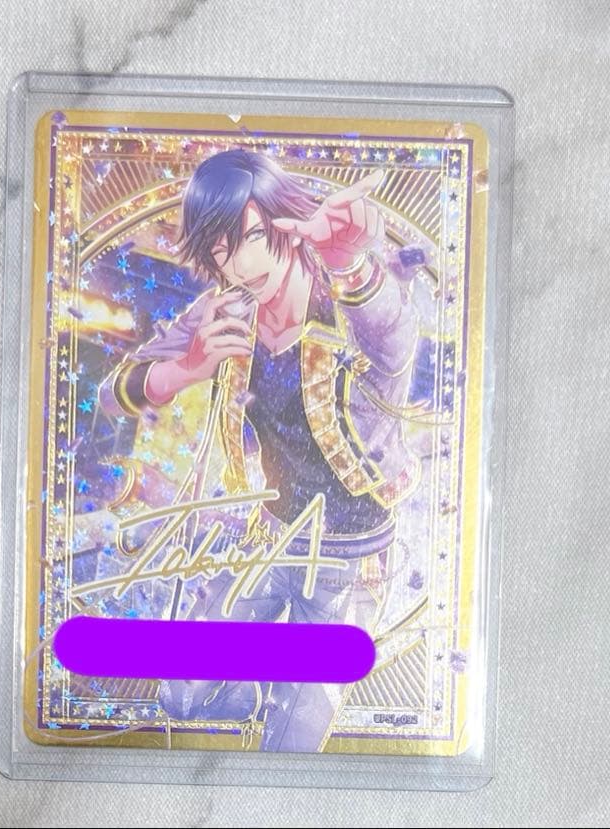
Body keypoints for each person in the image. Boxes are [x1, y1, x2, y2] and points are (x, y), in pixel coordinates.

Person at [99, 149, 420, 752]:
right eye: (220, 251)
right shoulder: (223, 311)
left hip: (350, 558)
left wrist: (350, 264)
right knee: (180, 695)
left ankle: (296, 686)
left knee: (291, 745)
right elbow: (111, 393)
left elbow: (396, 340)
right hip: (270, 539)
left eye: (250, 237)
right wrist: (186, 369)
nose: (240, 265)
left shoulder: (345, 298)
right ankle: (274, 676)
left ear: (283, 221)